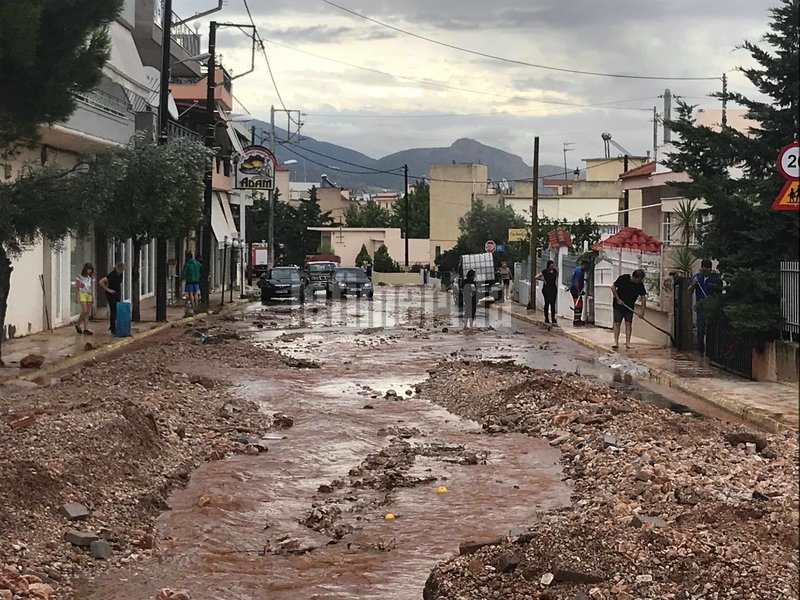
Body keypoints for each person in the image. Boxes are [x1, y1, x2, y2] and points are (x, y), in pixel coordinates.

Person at [688, 259, 721, 353]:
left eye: (707, 269)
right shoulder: (697, 278)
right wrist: (693, 284)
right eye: (703, 269)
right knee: (700, 329)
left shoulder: (715, 279)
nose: (705, 271)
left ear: (710, 269)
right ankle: (700, 350)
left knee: (711, 329)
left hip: (711, 307)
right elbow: (689, 292)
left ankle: (711, 351)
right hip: (701, 307)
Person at [612, 269, 648, 350]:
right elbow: (613, 287)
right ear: (635, 277)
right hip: (618, 305)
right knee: (617, 323)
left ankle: (628, 343)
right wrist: (618, 299)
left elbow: (643, 298)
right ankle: (616, 342)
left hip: (630, 306)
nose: (640, 281)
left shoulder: (639, 284)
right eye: (639, 279)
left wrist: (642, 312)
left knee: (628, 324)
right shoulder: (623, 278)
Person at [98, 262, 124, 334]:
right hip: (111, 294)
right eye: (120, 270)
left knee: (116, 310)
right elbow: (101, 282)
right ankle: (113, 327)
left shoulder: (121, 275)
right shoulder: (112, 275)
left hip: (117, 293)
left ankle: (114, 326)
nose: (121, 271)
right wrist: (108, 289)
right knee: (113, 310)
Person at [535, 260, 559, 324]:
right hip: (546, 289)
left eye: (553, 265)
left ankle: (553, 318)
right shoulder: (545, 271)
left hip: (553, 288)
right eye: (551, 265)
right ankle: (546, 318)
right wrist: (542, 279)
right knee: (547, 303)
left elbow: (557, 276)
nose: (552, 266)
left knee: (553, 304)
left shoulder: (555, 271)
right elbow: (536, 277)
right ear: (548, 265)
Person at [75, 263, 95, 335]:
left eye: (90, 270)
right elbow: (77, 286)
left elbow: (92, 287)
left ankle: (86, 328)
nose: (89, 271)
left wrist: (93, 296)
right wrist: (76, 296)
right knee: (84, 310)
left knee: (87, 312)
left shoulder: (91, 277)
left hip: (89, 294)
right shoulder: (80, 276)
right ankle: (78, 323)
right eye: (88, 269)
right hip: (82, 293)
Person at [569, 259, 590, 326]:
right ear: (584, 265)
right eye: (586, 266)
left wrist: (584, 280)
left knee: (579, 304)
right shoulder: (579, 271)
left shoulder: (577, 270)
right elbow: (576, 282)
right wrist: (579, 292)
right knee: (578, 304)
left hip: (574, 289)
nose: (587, 268)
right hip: (575, 289)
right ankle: (576, 320)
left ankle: (578, 319)